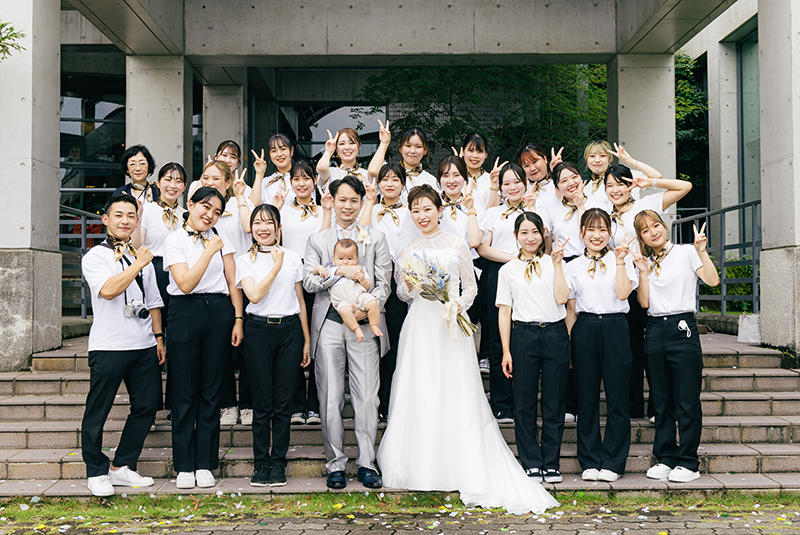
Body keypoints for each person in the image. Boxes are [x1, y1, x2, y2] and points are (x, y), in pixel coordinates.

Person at [377, 185, 558, 514]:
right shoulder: (407, 249)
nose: (422, 215)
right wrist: (410, 285)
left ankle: (460, 461)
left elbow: (471, 287)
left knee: (455, 388)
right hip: (420, 327)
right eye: (415, 210)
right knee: (421, 388)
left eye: (427, 209)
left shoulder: (457, 244)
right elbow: (402, 294)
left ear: (439, 210)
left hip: (451, 325)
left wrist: (458, 304)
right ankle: (421, 464)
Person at [303, 175, 392, 490]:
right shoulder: (317, 240)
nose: (348, 206)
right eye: (342, 199)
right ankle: (335, 464)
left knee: (367, 397)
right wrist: (338, 271)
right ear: (332, 200)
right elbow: (309, 282)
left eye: (354, 200)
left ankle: (367, 462)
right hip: (329, 324)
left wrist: (367, 309)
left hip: (364, 325)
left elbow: (384, 284)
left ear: (362, 202)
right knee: (330, 398)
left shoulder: (375, 238)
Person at [80, 193, 164, 497]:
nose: (125, 221)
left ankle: (123, 466)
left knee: (147, 406)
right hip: (109, 345)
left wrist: (158, 338)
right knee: (98, 410)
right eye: (119, 215)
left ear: (137, 221)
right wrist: (138, 264)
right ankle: (96, 471)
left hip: (143, 345)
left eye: (131, 216)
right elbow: (108, 290)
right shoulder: (96, 257)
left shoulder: (141, 257)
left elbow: (153, 301)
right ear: (106, 219)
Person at [603, 145, 692, 421]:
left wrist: (644, 175)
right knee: (629, 348)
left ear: (630, 185)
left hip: (650, 281)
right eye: (609, 186)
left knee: (653, 347)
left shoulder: (646, 205)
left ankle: (658, 407)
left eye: (620, 184)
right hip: (624, 285)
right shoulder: (605, 215)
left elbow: (684, 186)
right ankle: (633, 406)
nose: (615, 190)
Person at [163, 186, 244, 489]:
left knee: (212, 390)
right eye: (205, 207)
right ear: (191, 204)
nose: (210, 215)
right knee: (184, 390)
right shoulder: (175, 239)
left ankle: (205, 463)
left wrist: (238, 318)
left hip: (219, 311)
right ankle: (184, 465)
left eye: (217, 212)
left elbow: (232, 281)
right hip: (185, 311)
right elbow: (184, 283)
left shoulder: (221, 239)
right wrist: (209, 251)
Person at [634, 210, 719, 483]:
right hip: (654, 328)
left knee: (687, 400)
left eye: (656, 225)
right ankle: (666, 457)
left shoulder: (686, 252)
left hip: (682, 326)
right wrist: (643, 272)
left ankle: (688, 461)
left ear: (664, 226)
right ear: (641, 237)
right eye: (645, 230)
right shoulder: (645, 262)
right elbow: (644, 303)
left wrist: (702, 251)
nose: (653, 232)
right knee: (661, 400)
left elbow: (712, 280)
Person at [236, 204, 311, 487]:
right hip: (258, 331)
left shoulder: (293, 258)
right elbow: (254, 295)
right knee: (262, 403)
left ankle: (278, 463)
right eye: (257, 222)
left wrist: (306, 339)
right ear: (251, 229)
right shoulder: (245, 260)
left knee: (283, 403)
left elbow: (300, 300)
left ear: (279, 228)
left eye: (269, 222)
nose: (263, 228)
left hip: (290, 330)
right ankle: (260, 463)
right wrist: (276, 266)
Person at [565, 208, 638, 482]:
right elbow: (570, 309)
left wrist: (619, 262)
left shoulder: (623, 258)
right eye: (591, 230)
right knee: (586, 397)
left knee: (618, 396)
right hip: (585, 327)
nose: (596, 235)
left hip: (615, 326)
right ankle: (589, 459)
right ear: (581, 233)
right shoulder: (572, 265)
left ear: (610, 232)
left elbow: (623, 293)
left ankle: (614, 462)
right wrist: (570, 342)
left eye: (602, 230)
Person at [497, 212, 570, 484]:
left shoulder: (555, 263)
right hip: (523, 335)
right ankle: (530, 461)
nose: (530, 238)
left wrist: (558, 265)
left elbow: (562, 299)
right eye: (524, 232)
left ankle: (551, 462)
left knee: (554, 401)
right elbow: (505, 311)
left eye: (535, 232)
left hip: (554, 333)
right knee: (524, 402)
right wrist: (506, 350)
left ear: (543, 234)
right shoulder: (508, 270)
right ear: (516, 236)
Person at [477, 163, 536, 423]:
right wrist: (514, 259)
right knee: (497, 338)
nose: (512, 187)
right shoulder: (493, 213)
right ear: (500, 188)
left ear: (525, 183)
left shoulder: (535, 209)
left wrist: (533, 209)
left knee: (524, 335)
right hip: (498, 272)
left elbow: (543, 245)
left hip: (530, 275)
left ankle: (525, 402)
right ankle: (502, 404)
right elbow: (483, 248)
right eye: (507, 183)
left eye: (517, 181)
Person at [131, 162, 187, 413]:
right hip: (152, 272)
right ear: (159, 182)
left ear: (184, 186)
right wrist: (137, 217)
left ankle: (175, 404)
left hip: (179, 275)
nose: (173, 185)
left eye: (178, 181)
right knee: (150, 339)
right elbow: (136, 245)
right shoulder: (148, 210)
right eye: (168, 179)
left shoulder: (187, 214)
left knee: (176, 342)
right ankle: (149, 406)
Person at [358, 162, 411, 419]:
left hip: (404, 282)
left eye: (395, 179)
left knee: (400, 343)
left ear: (403, 184)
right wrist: (370, 202)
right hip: (377, 283)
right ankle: (382, 403)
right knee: (381, 344)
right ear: (378, 184)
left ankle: (399, 403)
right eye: (385, 179)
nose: (389, 184)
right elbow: (361, 233)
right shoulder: (373, 209)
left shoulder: (412, 211)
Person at [313, 238, 384, 342]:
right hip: (342, 301)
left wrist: (362, 280)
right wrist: (320, 269)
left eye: (350, 259)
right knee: (344, 311)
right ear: (333, 258)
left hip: (359, 296)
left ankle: (374, 325)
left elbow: (367, 287)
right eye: (341, 258)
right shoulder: (331, 268)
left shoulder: (359, 269)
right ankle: (356, 329)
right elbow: (314, 269)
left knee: (373, 302)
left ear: (357, 258)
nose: (345, 262)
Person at [368, 122, 438, 201]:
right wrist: (384, 143)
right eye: (408, 146)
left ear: (425, 151)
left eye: (418, 147)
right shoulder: (388, 172)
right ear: (400, 149)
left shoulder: (431, 181)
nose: (412, 151)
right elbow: (372, 172)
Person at [250, 134, 296, 207]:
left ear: (292, 150)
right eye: (274, 151)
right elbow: (253, 205)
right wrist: (259, 174)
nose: (279, 154)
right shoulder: (265, 182)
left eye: (283, 149)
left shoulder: (301, 179)